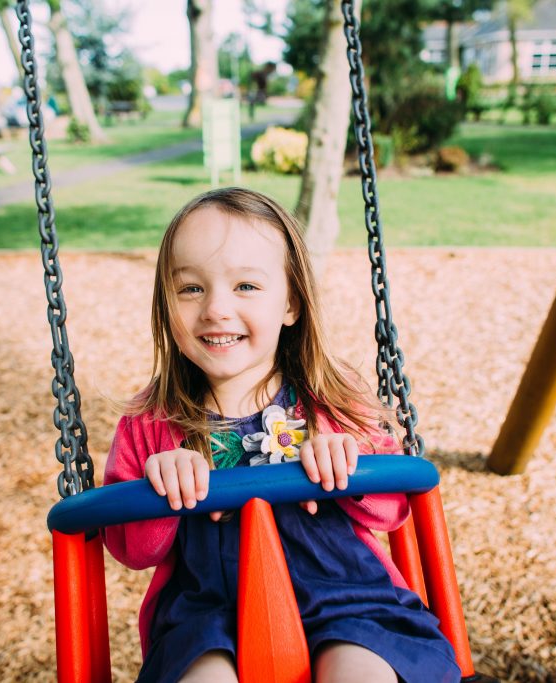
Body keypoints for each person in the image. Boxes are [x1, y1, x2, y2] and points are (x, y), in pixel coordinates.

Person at [103, 188, 460, 683]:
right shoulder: (150, 422)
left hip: (349, 601)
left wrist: (349, 459)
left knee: (356, 674)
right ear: (165, 304)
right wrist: (156, 487)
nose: (215, 309)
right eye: (190, 289)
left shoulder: (330, 399)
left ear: (291, 302)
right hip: (208, 617)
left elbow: (395, 507)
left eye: (246, 286)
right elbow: (130, 548)